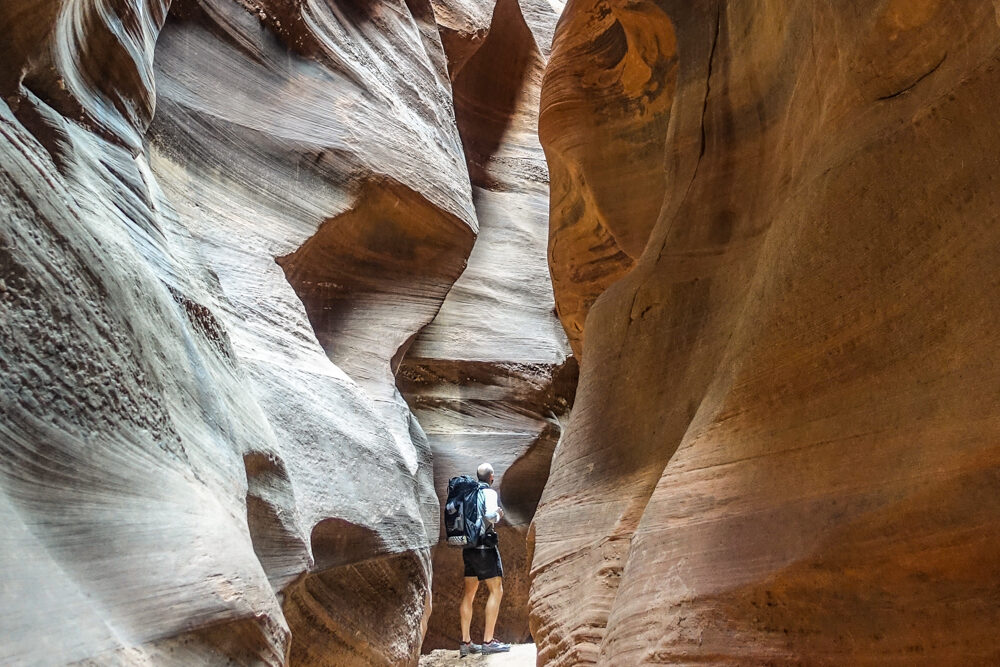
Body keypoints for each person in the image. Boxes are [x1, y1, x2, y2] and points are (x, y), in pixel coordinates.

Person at [459, 463, 511, 657]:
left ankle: (466, 642)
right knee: (496, 590)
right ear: (491, 477)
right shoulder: (489, 493)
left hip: (468, 548)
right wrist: (498, 514)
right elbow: (490, 515)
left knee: (469, 593)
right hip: (484, 548)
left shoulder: (467, 493)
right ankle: (488, 642)